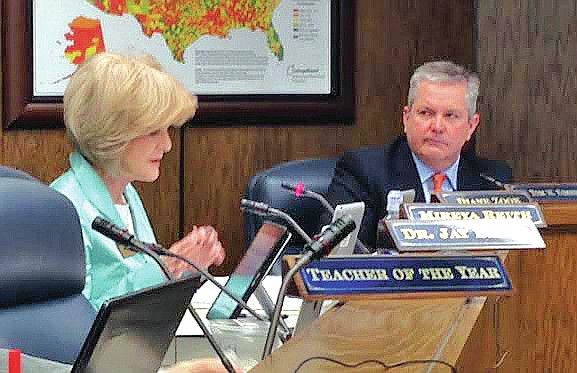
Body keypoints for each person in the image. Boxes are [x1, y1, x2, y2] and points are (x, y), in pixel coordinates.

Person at [51, 52, 225, 312]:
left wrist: (187, 266)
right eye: (153, 131)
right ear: (112, 132)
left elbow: (137, 286)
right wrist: (167, 267)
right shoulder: (63, 208)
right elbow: (77, 323)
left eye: (168, 130)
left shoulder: (126, 192)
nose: (167, 145)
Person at [326, 61, 512, 249]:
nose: (437, 127)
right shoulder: (363, 171)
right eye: (426, 113)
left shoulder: (493, 181)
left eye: (450, 115)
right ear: (406, 119)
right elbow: (340, 255)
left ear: (471, 126)